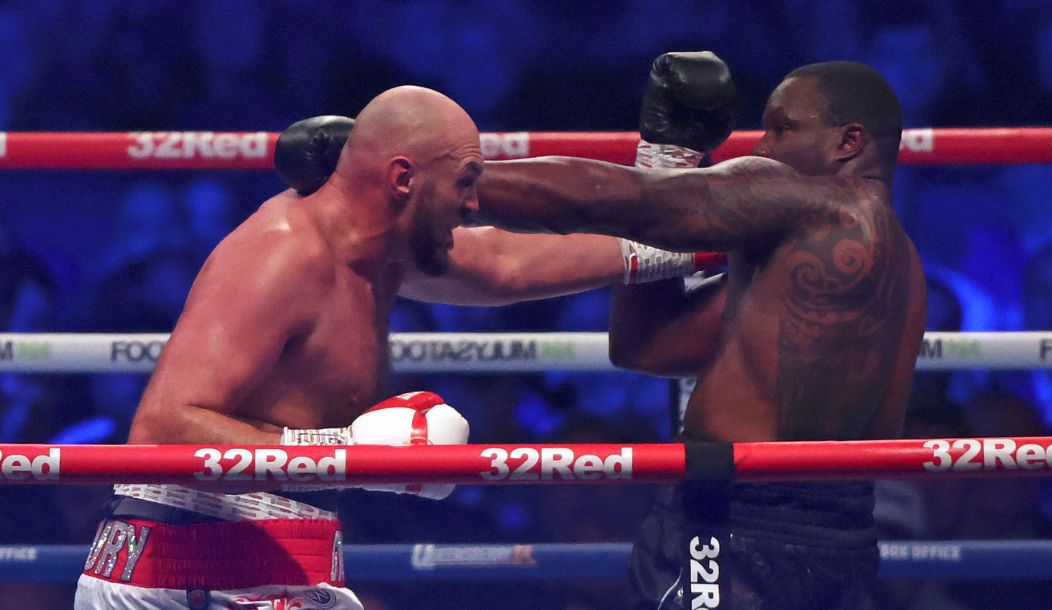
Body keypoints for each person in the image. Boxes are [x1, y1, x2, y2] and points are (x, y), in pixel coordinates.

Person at [473, 54, 927, 609]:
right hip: (839, 538)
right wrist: (668, 161)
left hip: (735, 521)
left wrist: (453, 182)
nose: (762, 149)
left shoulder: (818, 207)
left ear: (848, 142)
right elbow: (649, 345)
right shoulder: (898, 265)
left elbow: (629, 203)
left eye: (783, 129)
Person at [73, 86, 483, 609]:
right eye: (464, 183)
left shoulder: (378, 255)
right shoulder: (284, 248)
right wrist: (346, 450)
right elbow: (161, 433)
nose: (470, 207)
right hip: (178, 575)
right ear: (397, 177)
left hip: (283, 568)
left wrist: (625, 254)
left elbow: (507, 263)